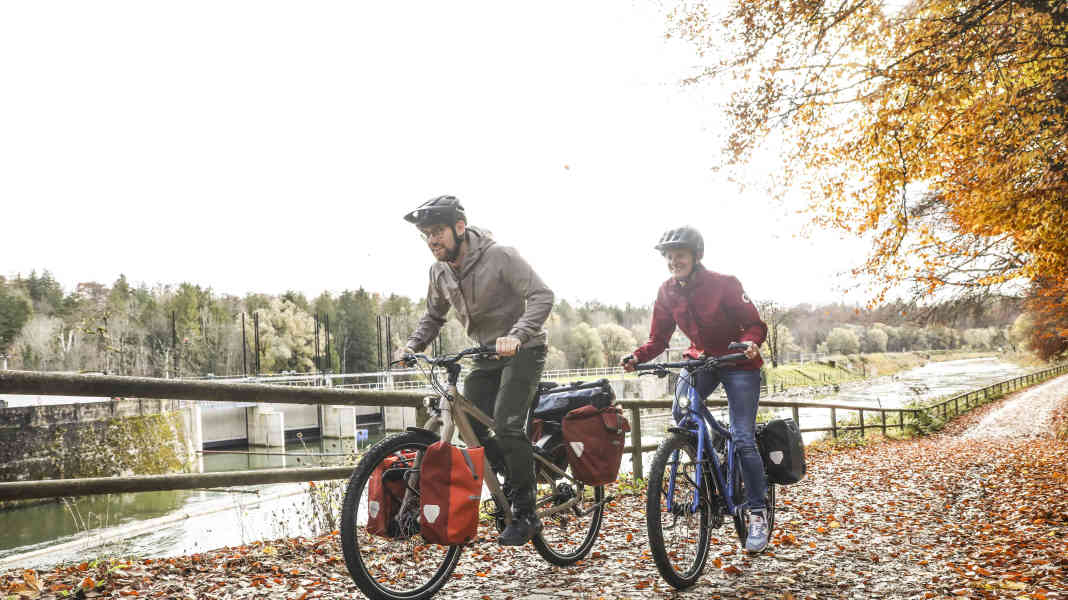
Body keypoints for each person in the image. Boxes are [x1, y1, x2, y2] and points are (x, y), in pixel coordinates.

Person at [397, 195, 554, 546]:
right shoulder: (439, 271)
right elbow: (434, 316)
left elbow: (543, 296)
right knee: (473, 431)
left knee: (507, 424)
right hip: (485, 354)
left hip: (523, 348)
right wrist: (412, 346)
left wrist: (516, 334)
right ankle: (515, 480)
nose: (432, 240)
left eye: (437, 231)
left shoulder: (501, 256)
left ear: (460, 227)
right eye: (426, 234)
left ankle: (527, 512)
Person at [620, 226, 772, 553]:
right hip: (702, 361)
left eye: (681, 255)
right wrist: (637, 356)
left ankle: (757, 513)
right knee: (683, 412)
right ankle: (711, 453)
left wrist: (749, 344)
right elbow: (658, 339)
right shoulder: (666, 291)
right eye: (670, 257)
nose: (675, 261)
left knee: (743, 437)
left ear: (695, 256)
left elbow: (755, 325)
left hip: (738, 362)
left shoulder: (724, 284)